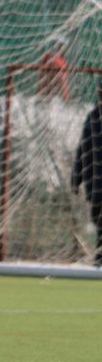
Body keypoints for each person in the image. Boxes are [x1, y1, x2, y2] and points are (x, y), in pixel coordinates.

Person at [70, 82, 102, 266]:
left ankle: (99, 259)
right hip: (96, 187)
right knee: (99, 224)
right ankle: (99, 260)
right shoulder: (93, 119)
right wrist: (76, 178)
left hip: (95, 186)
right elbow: (83, 149)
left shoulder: (93, 118)